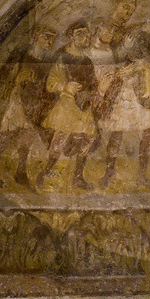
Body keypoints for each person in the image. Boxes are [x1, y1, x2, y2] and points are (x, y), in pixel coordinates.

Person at [0, 27, 57, 189]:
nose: (49, 42)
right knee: (6, 136)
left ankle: (21, 171)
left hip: (32, 105)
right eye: (46, 37)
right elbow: (2, 79)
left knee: (27, 138)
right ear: (36, 37)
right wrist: (17, 78)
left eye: (52, 39)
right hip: (15, 102)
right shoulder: (19, 57)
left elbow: (45, 85)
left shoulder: (44, 62)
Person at [95, 29, 150, 185]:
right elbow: (111, 80)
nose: (133, 49)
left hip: (143, 102)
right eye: (129, 44)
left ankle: (141, 175)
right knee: (116, 135)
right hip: (124, 100)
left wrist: (143, 71)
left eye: (136, 45)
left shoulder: (147, 66)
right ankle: (109, 172)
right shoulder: (121, 66)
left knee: (147, 136)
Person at [35, 23, 99, 190]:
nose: (85, 38)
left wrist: (91, 93)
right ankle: (47, 171)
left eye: (87, 35)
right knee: (60, 139)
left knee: (89, 137)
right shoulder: (62, 57)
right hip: (66, 104)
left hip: (83, 106)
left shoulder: (87, 61)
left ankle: (78, 177)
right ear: (71, 36)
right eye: (80, 34)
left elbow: (93, 83)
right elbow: (50, 83)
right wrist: (64, 86)